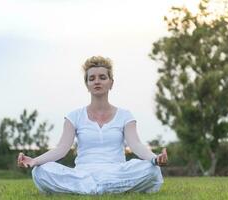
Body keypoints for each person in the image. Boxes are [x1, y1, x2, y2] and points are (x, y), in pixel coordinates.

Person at [17, 56, 168, 195]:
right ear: (87, 84)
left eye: (102, 77)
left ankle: (92, 189)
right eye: (92, 78)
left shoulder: (125, 115)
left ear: (111, 83)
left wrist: (155, 159)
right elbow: (61, 149)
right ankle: (103, 189)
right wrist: (35, 161)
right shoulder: (74, 116)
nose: (97, 81)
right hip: (83, 174)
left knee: (152, 169)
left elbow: (136, 145)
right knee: (40, 171)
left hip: (116, 172)